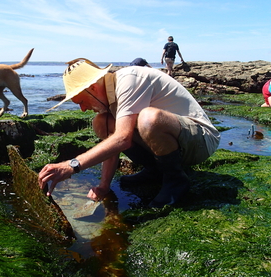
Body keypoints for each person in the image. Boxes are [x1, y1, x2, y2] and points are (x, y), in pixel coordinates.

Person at [39, 59, 220, 208]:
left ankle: (175, 180)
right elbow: (113, 141)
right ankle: (155, 170)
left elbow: (123, 139)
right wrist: (103, 186)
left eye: (81, 101)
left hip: (201, 140)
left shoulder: (129, 80)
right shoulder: (110, 98)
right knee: (102, 122)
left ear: (93, 87)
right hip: (176, 143)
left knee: (149, 118)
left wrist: (71, 165)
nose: (83, 109)